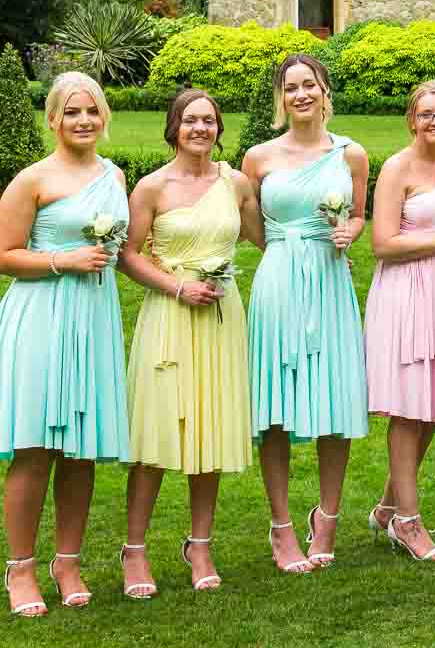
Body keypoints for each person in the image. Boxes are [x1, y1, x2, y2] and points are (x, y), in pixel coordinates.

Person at [0, 71, 132, 617]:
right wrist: (63, 260)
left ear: (104, 116)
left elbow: (126, 247)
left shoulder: (115, 174)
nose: (83, 120)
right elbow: (4, 256)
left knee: (81, 450)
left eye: (91, 110)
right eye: (71, 112)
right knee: (35, 446)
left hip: (93, 318)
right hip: (41, 317)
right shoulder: (32, 180)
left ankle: (67, 561)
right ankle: (19, 569)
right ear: (53, 119)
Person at [118, 88, 259, 596]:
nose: (200, 129)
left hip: (222, 317)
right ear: (173, 126)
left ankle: (200, 544)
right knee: (155, 435)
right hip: (169, 315)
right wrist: (177, 286)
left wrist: (329, 240)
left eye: (209, 120)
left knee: (211, 433)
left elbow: (266, 237)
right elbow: (128, 255)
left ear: (220, 129)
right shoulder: (151, 187)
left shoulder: (237, 184)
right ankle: (134, 550)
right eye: (190, 120)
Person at [243, 53, 369, 573]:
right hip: (278, 282)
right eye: (291, 87)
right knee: (275, 407)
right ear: (281, 96)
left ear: (324, 91)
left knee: (333, 403)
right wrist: (280, 248)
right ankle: (281, 527)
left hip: (330, 282)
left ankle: (329, 517)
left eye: (309, 85)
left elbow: (360, 215)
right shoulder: (258, 158)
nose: (301, 94)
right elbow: (249, 223)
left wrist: (349, 232)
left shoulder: (351, 154)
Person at [362, 81, 435, 561]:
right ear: (412, 120)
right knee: (409, 407)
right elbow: (383, 243)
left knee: (431, 406)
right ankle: (409, 524)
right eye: (427, 114)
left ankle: (390, 506)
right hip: (406, 293)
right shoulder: (396, 168)